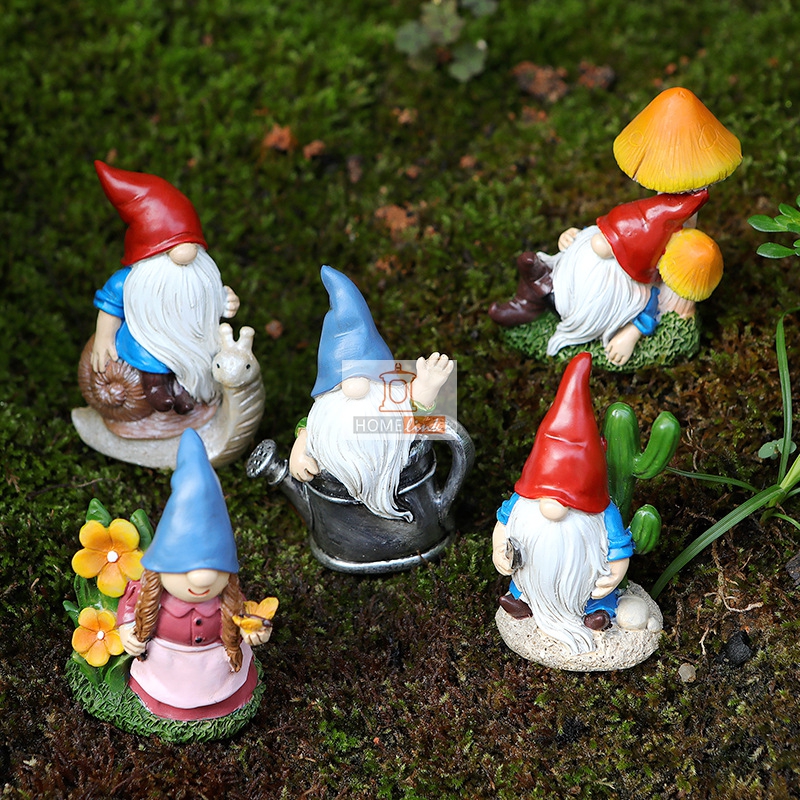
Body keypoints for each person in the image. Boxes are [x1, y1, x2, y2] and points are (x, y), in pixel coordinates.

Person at [491, 353, 649, 655]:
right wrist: (500, 550)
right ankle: (525, 601)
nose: (553, 508)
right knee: (524, 584)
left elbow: (618, 550)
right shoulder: (522, 503)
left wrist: (613, 576)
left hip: (584, 586)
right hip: (532, 576)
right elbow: (503, 524)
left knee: (596, 594)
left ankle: (595, 613)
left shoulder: (603, 514)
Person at [116, 429, 273, 721]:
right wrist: (127, 630)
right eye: (185, 569)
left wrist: (254, 631)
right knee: (162, 693)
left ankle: (223, 703)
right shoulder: (149, 592)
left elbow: (244, 616)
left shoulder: (228, 599)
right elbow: (128, 608)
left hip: (215, 667)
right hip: (164, 665)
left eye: (217, 569)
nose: (202, 580)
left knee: (223, 691)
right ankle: (162, 705)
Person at [289, 265, 453, 521]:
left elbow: (413, 409)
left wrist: (427, 386)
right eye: (340, 382)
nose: (355, 389)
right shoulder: (323, 423)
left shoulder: (392, 407)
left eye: (366, 377)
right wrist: (298, 454)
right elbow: (307, 430)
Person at [489, 190, 709, 366]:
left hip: (583, 316)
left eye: (615, 248)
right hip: (561, 287)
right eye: (606, 233)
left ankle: (539, 292)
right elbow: (585, 235)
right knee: (534, 268)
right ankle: (525, 304)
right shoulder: (594, 237)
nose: (598, 243)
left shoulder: (643, 289)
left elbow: (651, 314)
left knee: (542, 281)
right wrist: (570, 235)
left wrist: (630, 336)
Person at [91, 161, 240, 414]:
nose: (186, 253)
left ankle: (183, 388)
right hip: (147, 340)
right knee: (152, 361)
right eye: (171, 246)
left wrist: (225, 300)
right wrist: (104, 337)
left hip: (188, 342)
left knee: (186, 363)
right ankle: (155, 386)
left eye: (191, 242)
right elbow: (110, 305)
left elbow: (210, 296)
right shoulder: (131, 281)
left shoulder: (198, 273)